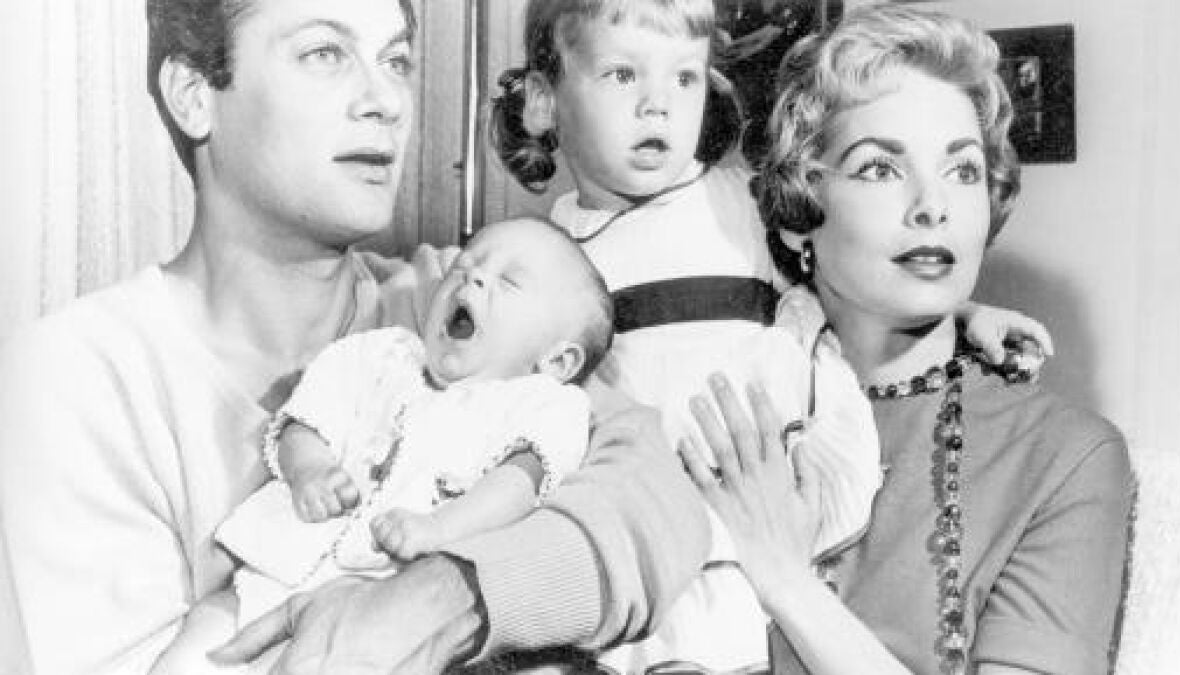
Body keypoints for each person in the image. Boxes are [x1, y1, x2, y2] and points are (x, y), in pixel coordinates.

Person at [0, 1, 711, 673]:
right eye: (324, 53)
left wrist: (443, 599)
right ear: (194, 95)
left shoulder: (453, 299)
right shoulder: (76, 378)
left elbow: (655, 502)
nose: (387, 101)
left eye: (396, 61)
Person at [489, 1, 1052, 672]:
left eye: (684, 78)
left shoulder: (736, 204)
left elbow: (854, 270)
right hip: (641, 505)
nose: (656, 106)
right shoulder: (543, 252)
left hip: (763, 477)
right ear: (543, 104)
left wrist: (967, 315)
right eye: (622, 75)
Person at [679, 5, 1134, 674]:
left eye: (963, 170)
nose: (933, 205)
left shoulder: (1063, 457)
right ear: (800, 210)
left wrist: (787, 581)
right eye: (880, 168)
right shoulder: (722, 387)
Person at [217, 216, 612, 631]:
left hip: (388, 598)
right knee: (209, 626)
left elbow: (518, 485)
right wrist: (309, 468)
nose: (473, 277)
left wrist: (438, 528)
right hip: (281, 569)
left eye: (510, 282)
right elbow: (305, 419)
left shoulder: (544, 404)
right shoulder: (382, 354)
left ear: (558, 361)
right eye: (463, 265)